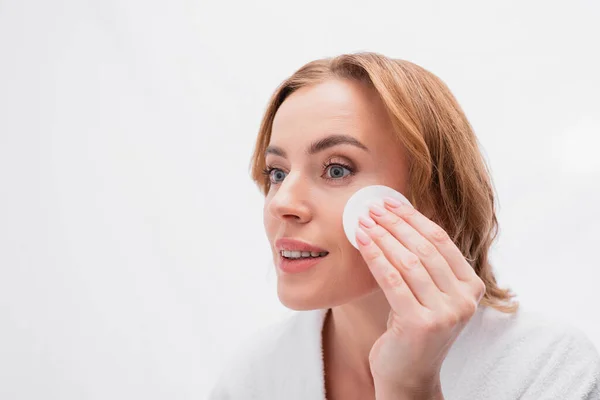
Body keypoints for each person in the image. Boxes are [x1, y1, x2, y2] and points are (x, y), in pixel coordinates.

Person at [208, 52, 600, 400]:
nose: (282, 203)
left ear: (433, 201)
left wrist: (410, 389)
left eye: (337, 169)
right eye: (277, 173)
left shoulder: (548, 368)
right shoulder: (253, 380)